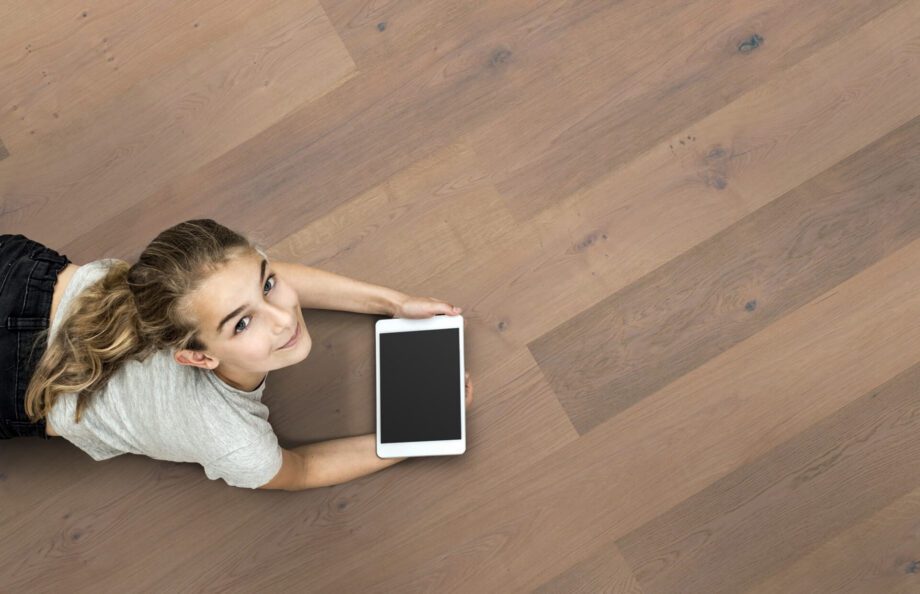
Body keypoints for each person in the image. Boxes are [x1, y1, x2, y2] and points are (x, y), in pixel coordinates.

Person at [0, 219, 473, 490]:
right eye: (242, 322)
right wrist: (418, 436)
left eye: (268, 286)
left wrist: (393, 303)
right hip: (16, 367)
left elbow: (245, 274)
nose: (284, 318)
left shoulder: (198, 298)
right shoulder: (229, 438)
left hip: (21, 276)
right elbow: (303, 470)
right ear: (198, 357)